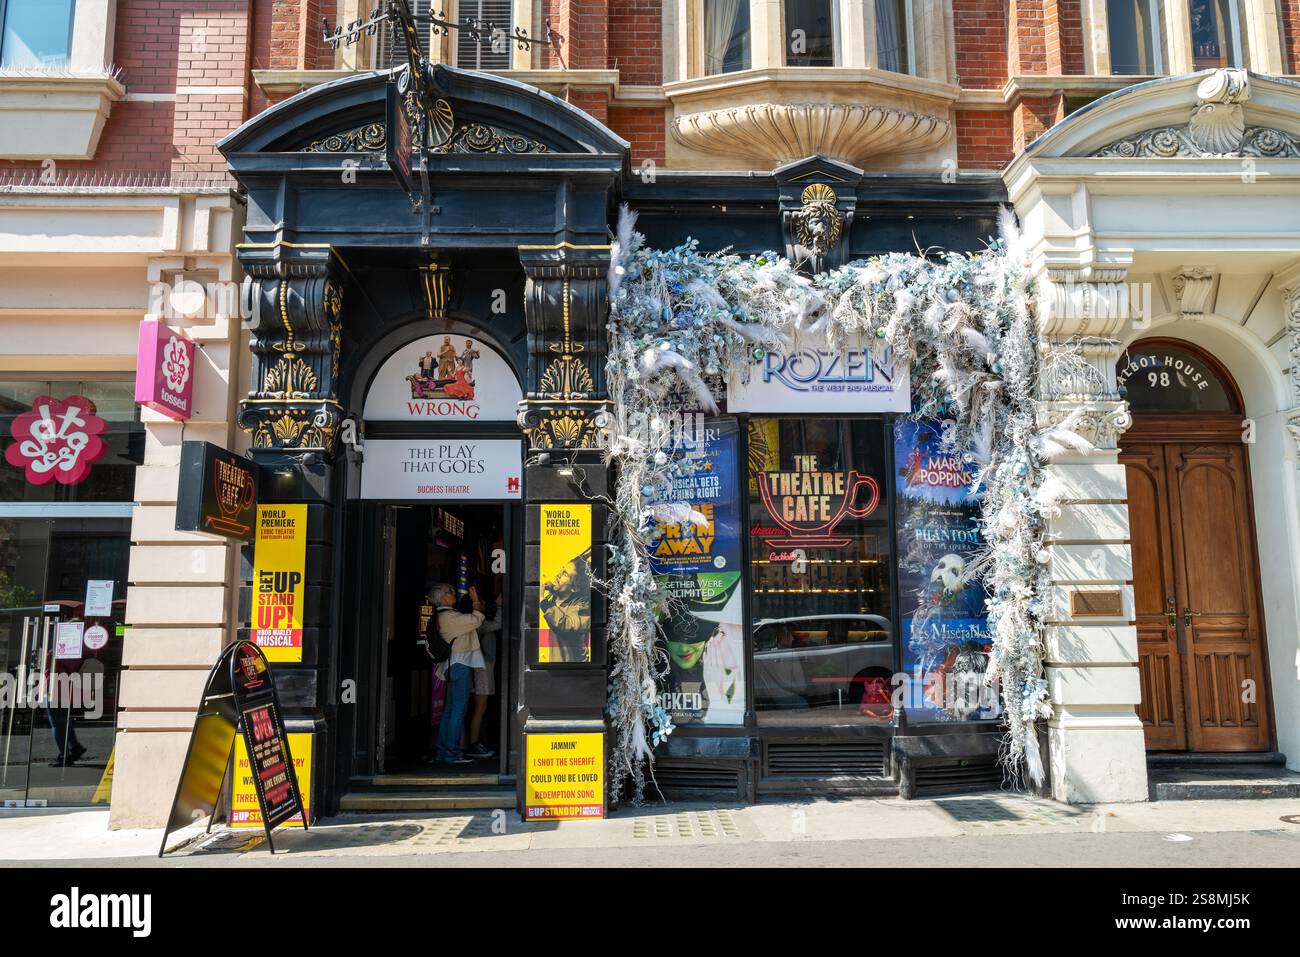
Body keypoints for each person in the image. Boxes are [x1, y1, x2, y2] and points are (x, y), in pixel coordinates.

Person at [429, 582, 484, 765]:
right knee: (457, 711)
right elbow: (477, 619)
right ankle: (451, 754)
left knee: (449, 711)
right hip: (461, 665)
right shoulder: (449, 617)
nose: (454, 594)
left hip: (452, 666)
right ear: (444, 598)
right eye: (451, 592)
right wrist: (476, 601)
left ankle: (443, 752)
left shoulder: (442, 616)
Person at [466, 591, 500, 760]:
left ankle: (477, 741)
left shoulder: (480, 622)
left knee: (482, 706)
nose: (484, 606)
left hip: (485, 664)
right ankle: (473, 742)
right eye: (480, 604)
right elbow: (498, 624)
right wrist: (499, 605)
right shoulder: (480, 624)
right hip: (482, 665)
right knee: (480, 705)